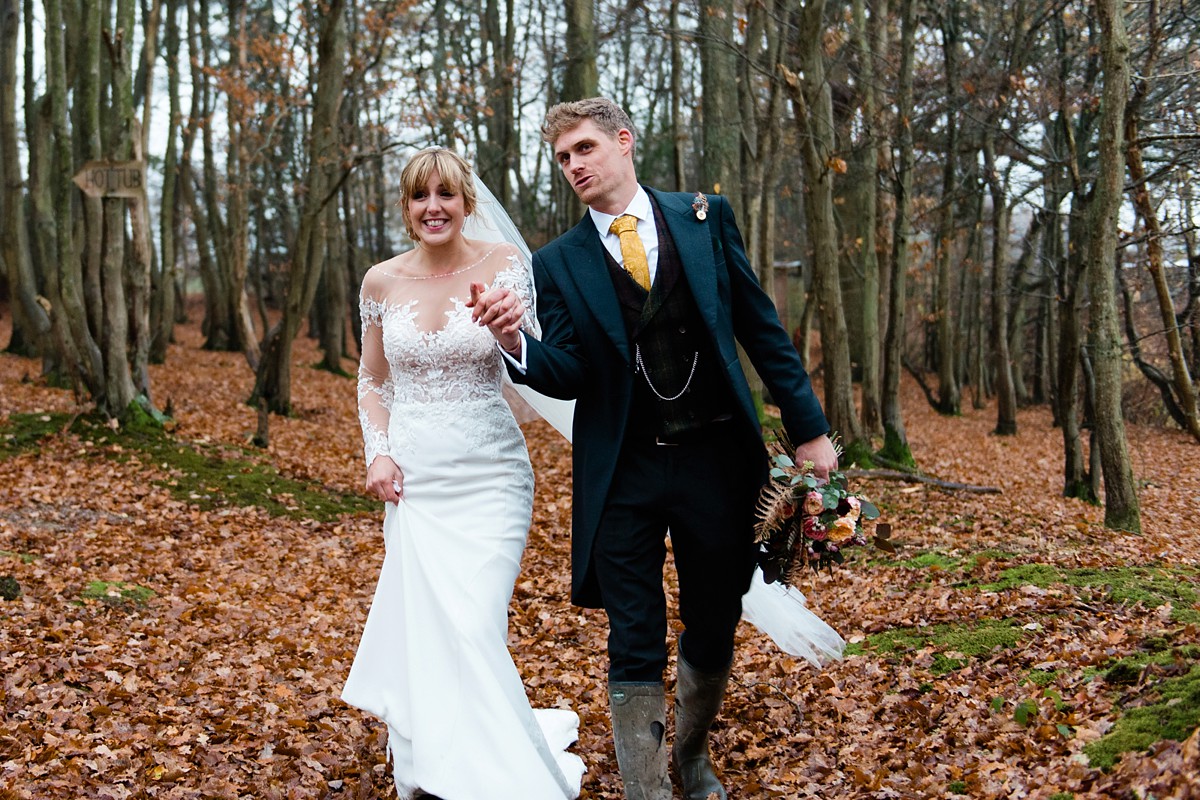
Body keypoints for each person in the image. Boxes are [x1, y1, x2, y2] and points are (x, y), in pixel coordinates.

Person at [472, 98, 838, 800]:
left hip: (717, 462)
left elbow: (762, 331)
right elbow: (571, 371)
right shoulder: (557, 263)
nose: (574, 165)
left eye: (584, 148)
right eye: (562, 158)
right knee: (633, 629)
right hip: (624, 470)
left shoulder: (706, 219)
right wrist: (516, 344)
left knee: (714, 614)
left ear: (623, 141)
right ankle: (647, 788)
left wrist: (811, 429)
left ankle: (693, 759)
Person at [341, 147, 585, 800]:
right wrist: (377, 452)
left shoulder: (505, 265)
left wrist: (510, 335)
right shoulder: (380, 282)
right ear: (406, 207)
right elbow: (371, 379)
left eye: (445, 194)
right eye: (420, 197)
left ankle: (499, 770)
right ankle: (435, 761)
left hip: (489, 478)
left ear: (466, 202)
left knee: (474, 624)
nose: (433, 208)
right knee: (430, 628)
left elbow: (535, 362)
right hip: (415, 485)